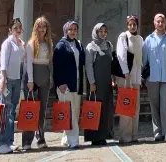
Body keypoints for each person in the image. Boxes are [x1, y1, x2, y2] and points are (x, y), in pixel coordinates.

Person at [143, 13, 166, 142]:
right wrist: (143, 76)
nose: (160, 24)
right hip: (152, 78)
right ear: (154, 23)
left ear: (165, 23)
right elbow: (144, 59)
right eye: (158, 21)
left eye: (162, 21)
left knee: (164, 103)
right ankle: (158, 132)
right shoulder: (148, 39)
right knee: (154, 104)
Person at [22, 15, 53, 150]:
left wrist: (50, 78)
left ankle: (40, 138)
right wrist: (30, 80)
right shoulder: (31, 44)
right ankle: (26, 141)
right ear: (35, 28)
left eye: (44, 26)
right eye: (39, 26)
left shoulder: (49, 44)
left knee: (42, 110)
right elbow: (28, 63)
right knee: (30, 110)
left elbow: (49, 63)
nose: (42, 29)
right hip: (32, 78)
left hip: (44, 77)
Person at [52, 20, 84, 149]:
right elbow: (57, 66)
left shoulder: (78, 44)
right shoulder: (61, 45)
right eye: (70, 29)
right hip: (65, 84)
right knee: (69, 112)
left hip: (76, 82)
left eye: (75, 29)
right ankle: (74, 140)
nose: (73, 32)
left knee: (74, 112)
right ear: (66, 30)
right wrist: (60, 83)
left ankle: (66, 138)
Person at [0, 19, 25, 155]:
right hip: (8, 80)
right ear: (10, 30)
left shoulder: (20, 44)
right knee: (5, 112)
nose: (18, 30)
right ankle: (2, 143)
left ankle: (10, 142)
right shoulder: (7, 43)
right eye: (15, 28)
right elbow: (3, 63)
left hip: (17, 80)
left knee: (12, 112)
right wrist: (3, 79)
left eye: (19, 28)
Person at [114, 15, 143, 144]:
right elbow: (121, 55)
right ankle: (125, 136)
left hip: (136, 77)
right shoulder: (123, 37)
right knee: (126, 106)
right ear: (127, 25)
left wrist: (140, 75)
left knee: (135, 106)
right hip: (126, 77)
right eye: (130, 24)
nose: (132, 26)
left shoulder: (140, 39)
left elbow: (140, 59)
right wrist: (126, 72)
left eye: (134, 24)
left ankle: (134, 134)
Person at [84, 22, 115, 146]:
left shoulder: (109, 45)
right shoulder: (90, 47)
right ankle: (94, 137)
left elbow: (111, 65)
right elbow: (89, 66)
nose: (103, 34)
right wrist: (92, 82)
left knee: (106, 109)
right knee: (95, 108)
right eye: (100, 31)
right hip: (96, 83)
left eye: (105, 31)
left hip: (107, 82)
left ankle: (104, 135)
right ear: (96, 32)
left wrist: (112, 79)